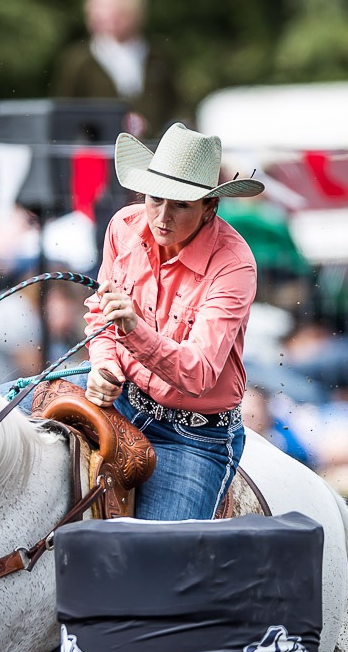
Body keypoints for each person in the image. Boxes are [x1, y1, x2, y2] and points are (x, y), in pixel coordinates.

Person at [81, 123, 264, 520]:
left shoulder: (234, 265)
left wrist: (133, 331)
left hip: (195, 437)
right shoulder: (123, 227)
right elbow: (100, 312)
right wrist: (104, 365)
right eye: (155, 199)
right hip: (123, 399)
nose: (161, 217)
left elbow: (198, 373)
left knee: (160, 560)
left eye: (180, 205)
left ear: (209, 208)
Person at [52, 0, 180, 138]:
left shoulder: (158, 56)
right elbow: (64, 114)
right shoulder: (78, 60)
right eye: (98, 11)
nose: (105, 17)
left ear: (135, 14)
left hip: (153, 150)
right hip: (100, 153)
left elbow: (176, 105)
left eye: (117, 12)